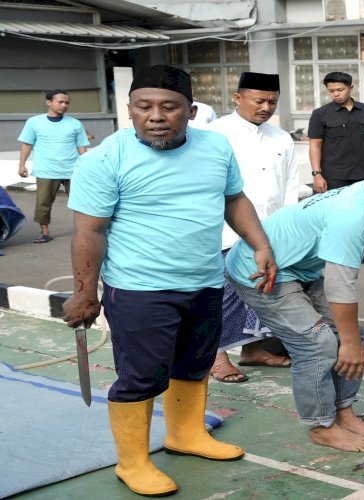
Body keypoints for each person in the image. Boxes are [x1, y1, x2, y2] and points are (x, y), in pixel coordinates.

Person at [61, 65, 276, 497]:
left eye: (168, 107)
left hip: (205, 282)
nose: (156, 116)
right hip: (140, 290)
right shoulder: (105, 159)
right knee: (141, 377)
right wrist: (85, 292)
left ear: (190, 111)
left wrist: (260, 244)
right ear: (130, 110)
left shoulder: (215, 148)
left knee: (195, 364)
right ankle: (133, 462)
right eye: (144, 107)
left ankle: (186, 435)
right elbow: (89, 231)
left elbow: (233, 199)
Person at [225, 138, 364, 452]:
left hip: (299, 268)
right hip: (261, 270)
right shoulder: (353, 213)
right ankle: (321, 425)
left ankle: (343, 412)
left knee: (350, 333)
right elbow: (339, 284)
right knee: (318, 344)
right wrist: (351, 345)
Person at [206, 72, 302, 383]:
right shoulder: (214, 134)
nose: (266, 107)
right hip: (225, 231)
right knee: (225, 296)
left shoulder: (282, 138)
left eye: (272, 101)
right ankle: (217, 357)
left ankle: (252, 351)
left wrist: (287, 228)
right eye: (258, 100)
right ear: (238, 98)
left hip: (271, 230)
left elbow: (290, 187)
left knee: (260, 292)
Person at [17, 89, 90, 243]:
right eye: (60, 102)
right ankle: (44, 232)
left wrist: (88, 167)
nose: (64, 105)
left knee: (83, 201)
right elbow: (27, 144)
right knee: (43, 203)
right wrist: (22, 164)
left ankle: (85, 230)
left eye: (67, 102)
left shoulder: (75, 124)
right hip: (46, 170)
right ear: (49, 102)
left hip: (73, 170)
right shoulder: (34, 122)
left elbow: (82, 147)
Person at [308, 71, 364, 193]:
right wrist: (317, 174)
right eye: (331, 91)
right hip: (335, 178)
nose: (336, 94)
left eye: (340, 90)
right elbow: (315, 146)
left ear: (351, 88)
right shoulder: (320, 114)